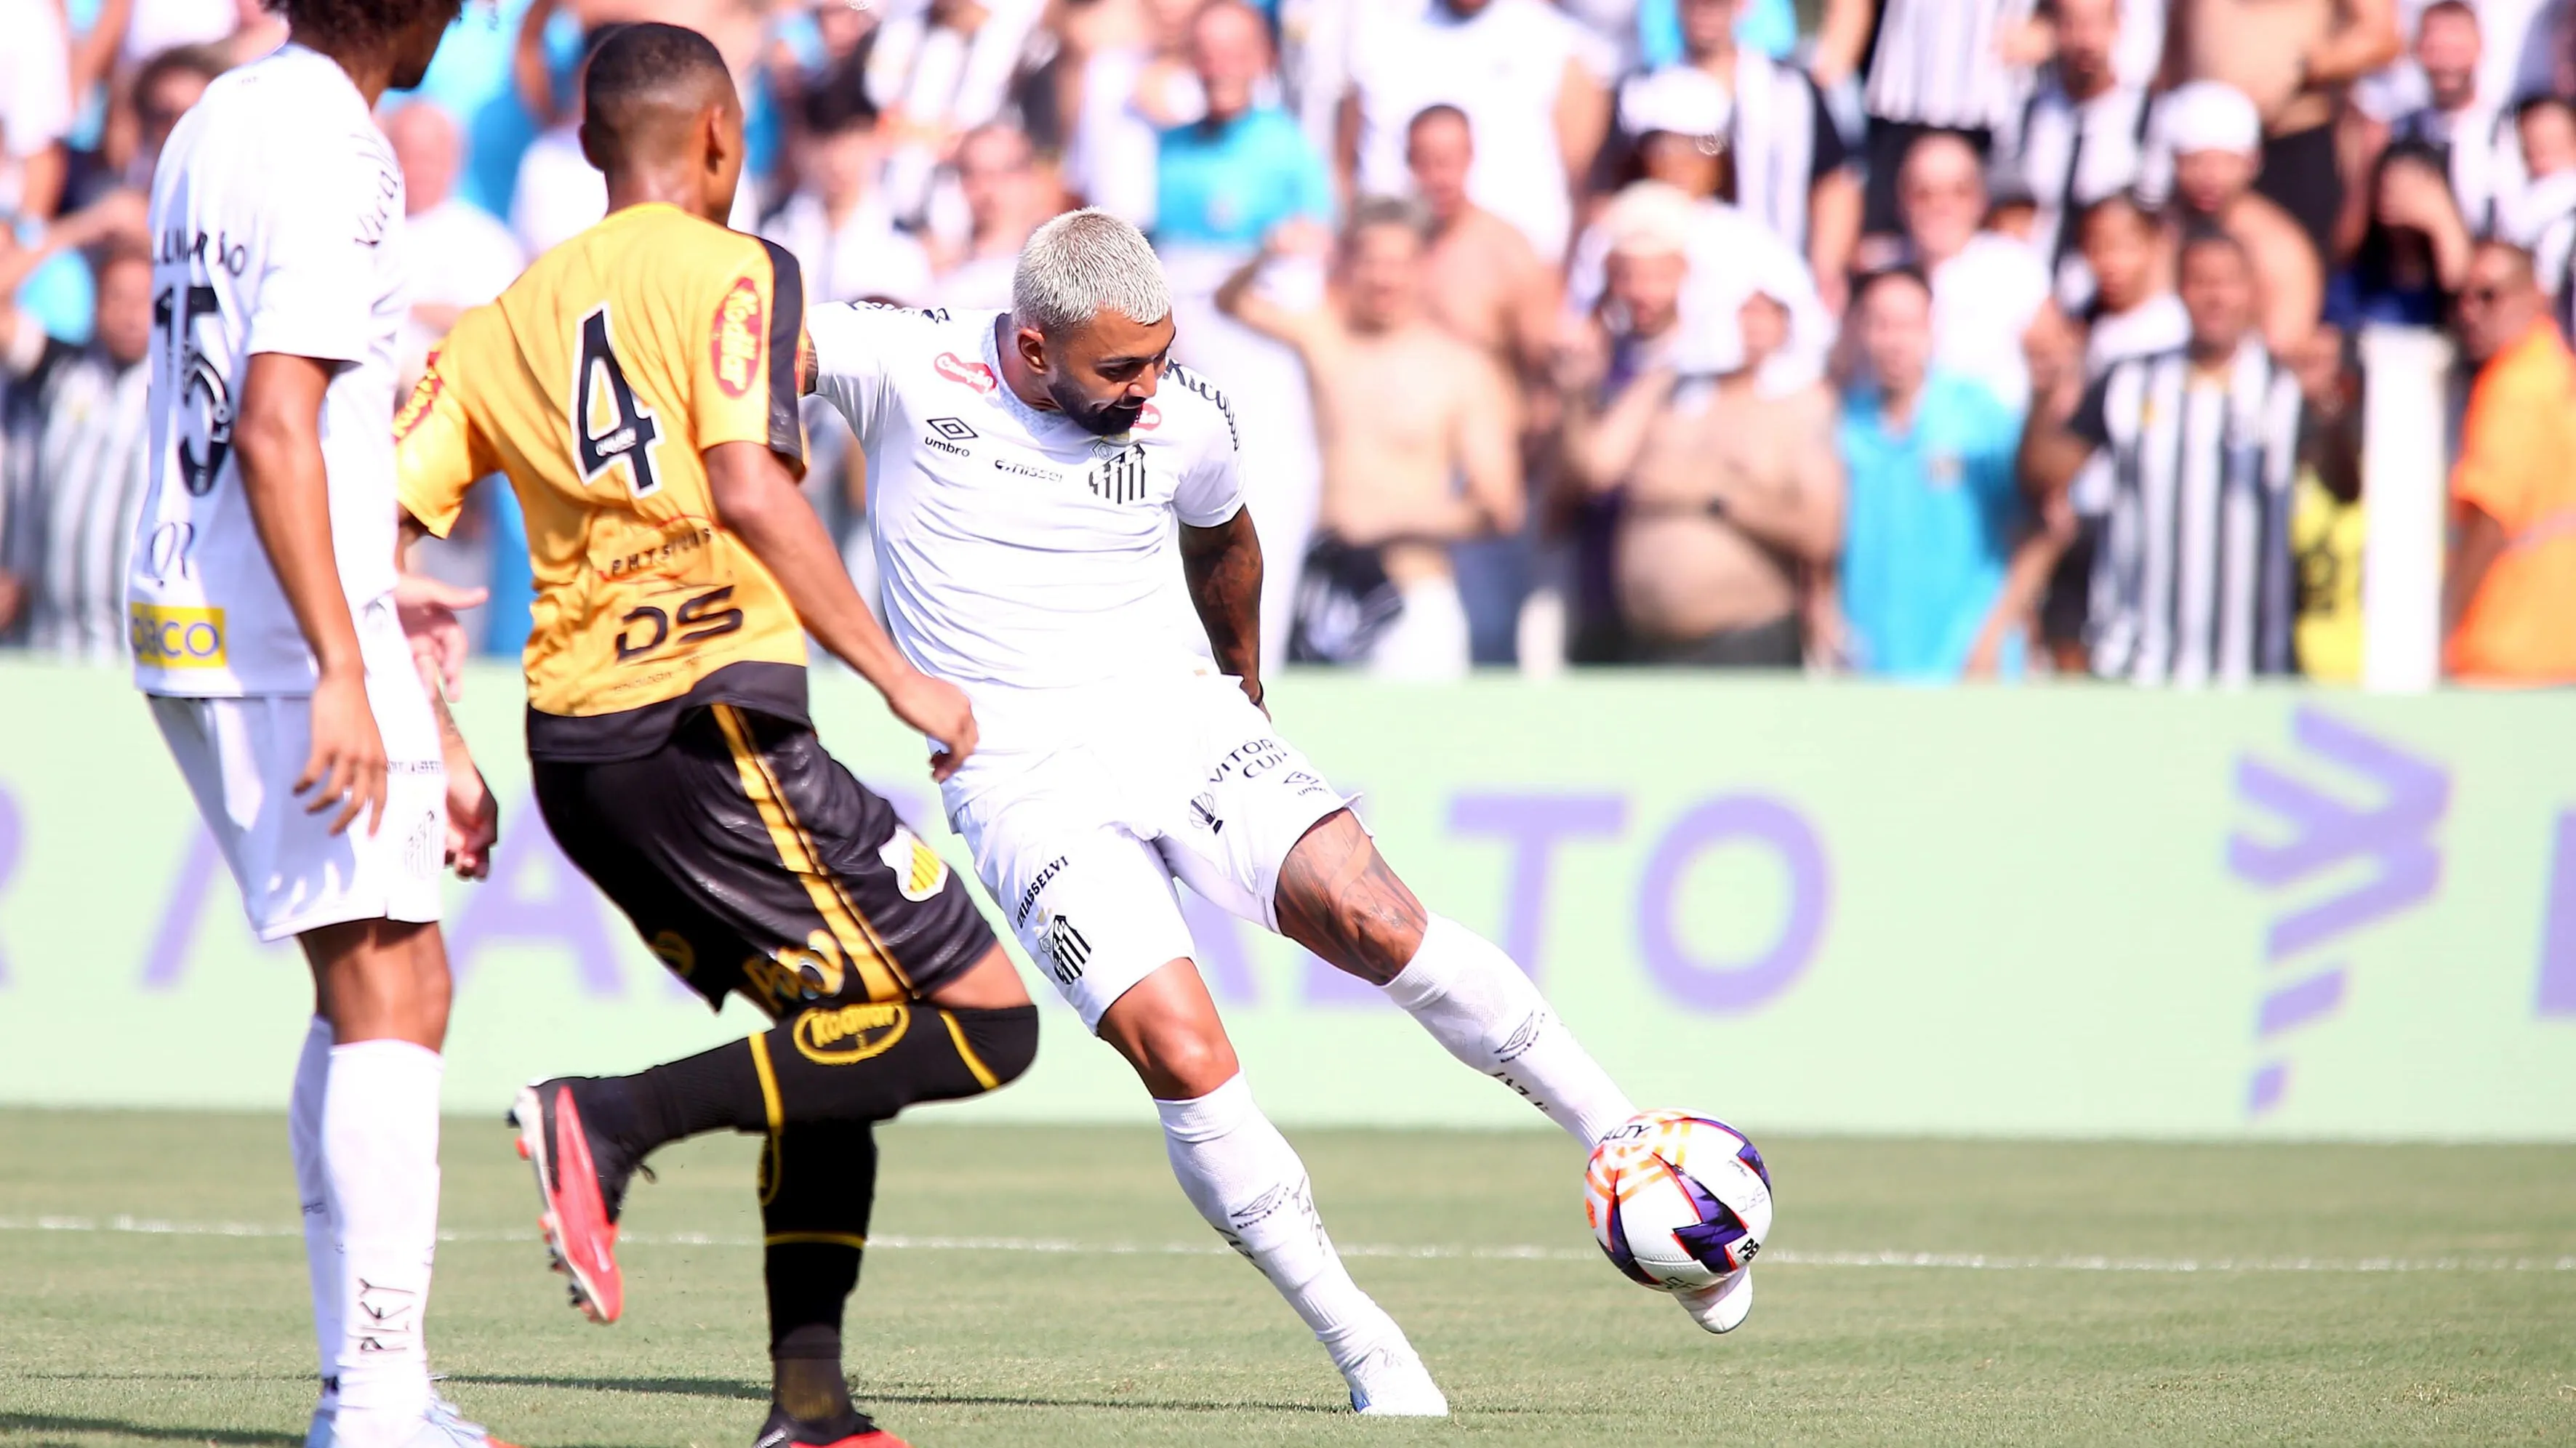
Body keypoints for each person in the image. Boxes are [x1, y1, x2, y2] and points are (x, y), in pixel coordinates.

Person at [805, 207, 1723, 1417]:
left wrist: (1241, 680)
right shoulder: (903, 362)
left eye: (1159, 356)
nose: (1147, 386)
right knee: (1184, 1056)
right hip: (1020, 780)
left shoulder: (1184, 414)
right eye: (1118, 368)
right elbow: (733, 341)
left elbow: (1224, 540)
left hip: (1180, 721)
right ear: (1030, 347)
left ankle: (1629, 1145)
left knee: (1378, 916)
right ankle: (1369, 1350)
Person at [389, 25, 1038, 1448]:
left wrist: (440, 737)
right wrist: (899, 677)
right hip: (708, 723)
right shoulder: (739, 269)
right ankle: (605, 1120)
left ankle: (811, 1408)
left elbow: (373, 524)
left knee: (840, 1029)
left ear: (583, 146)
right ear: (726, 139)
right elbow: (749, 485)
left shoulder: (495, 324)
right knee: (989, 1024)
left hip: (579, 760)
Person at [124, 0, 514, 1441]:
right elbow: (277, 419)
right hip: (281, 632)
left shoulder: (214, 117)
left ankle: (368, 1385)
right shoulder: (341, 147)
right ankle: (377, 1401)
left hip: (203, 598)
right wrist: (347, 665)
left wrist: (382, 616)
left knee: (367, 982)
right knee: (395, 985)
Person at [1219, 199, 1524, 679]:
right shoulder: (1326, 338)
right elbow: (1231, 303)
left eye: (1399, 263)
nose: (1385, 278)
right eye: (1371, 262)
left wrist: (1384, 520)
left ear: (1424, 266)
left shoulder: (1462, 369)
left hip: (1415, 594)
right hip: (1328, 590)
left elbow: (1499, 507)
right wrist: (1268, 253)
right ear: (1347, 263)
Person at [2021, 230, 2305, 685]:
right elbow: (2047, 473)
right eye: (2201, 282)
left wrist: (2335, 412)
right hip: (2138, 663)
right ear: (2179, 290)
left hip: (2252, 668)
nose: (2215, 297)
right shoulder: (2129, 381)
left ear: (2252, 291)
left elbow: (2345, 490)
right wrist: (2042, 390)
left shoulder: (2289, 390)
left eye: (2228, 282)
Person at [1564, 286, 1843, 666]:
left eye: (1763, 313)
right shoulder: (1667, 395)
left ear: (1786, 325)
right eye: (1741, 311)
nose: (1750, 327)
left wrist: (1709, 495)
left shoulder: (1800, 406)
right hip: (1647, 643)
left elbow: (1821, 534)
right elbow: (1597, 468)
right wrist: (1580, 392)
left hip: (1745, 642)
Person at [1834, 265, 2030, 679]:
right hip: (1872, 665)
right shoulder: (1845, 422)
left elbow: (2037, 529)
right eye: (1881, 325)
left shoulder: (1978, 414)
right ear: (1861, 331)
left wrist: (1995, 632)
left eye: (1908, 325)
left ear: (1932, 329)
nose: (1895, 342)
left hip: (1967, 663)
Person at [1612, 0, 1859, 300]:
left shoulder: (1791, 89)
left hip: (1773, 278)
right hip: (1666, 284)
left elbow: (1833, 182)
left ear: (1742, 6)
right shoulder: (1640, 93)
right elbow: (1611, 189)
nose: (1704, 11)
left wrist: (1826, 269)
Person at [1339, 0, 1613, 262]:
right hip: (1391, 275)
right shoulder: (1381, 40)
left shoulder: (1554, 44)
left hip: (1520, 273)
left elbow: (1585, 182)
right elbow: (1343, 165)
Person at [0, 238, 155, 659]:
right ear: (95, 303)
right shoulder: (61, 370)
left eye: (144, 298)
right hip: (52, 645)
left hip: (136, 651)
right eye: (117, 296)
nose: (130, 313)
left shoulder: (181, 390)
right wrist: (89, 226)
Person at [2165, 0, 2401, 259]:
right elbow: (2176, 39)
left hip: (2294, 145)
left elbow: (2381, 38)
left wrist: (2306, 67)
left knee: (2291, 260)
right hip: (2206, 151)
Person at [2442, 238, 2576, 682]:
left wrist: (2440, 630)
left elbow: (2490, 519)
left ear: (2537, 296)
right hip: (2554, 649)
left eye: (2489, 295)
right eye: (2462, 297)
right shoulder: (2557, 372)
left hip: (2504, 650)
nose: (2470, 312)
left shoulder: (2513, 386)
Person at [1994, 0, 2159, 302]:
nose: (2086, 41)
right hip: (2030, 293)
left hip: (2109, 298)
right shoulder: (2026, 113)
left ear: (2118, 26)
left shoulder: (2146, 116)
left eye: (2097, 24)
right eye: (2072, 25)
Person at [2155, 80, 2324, 353]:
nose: (2210, 177)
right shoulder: (2157, 232)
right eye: (2195, 161)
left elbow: (2287, 345)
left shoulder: (2279, 248)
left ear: (2252, 162)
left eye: (2226, 163)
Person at [1890, 131, 2054, 411]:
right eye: (1924, 193)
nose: (1940, 206)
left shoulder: (2015, 269)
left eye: (1958, 192)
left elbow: (2053, 369)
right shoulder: (1884, 275)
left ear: (1980, 199)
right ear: (1902, 200)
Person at [1855, 0, 2038, 236]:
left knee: (2002, 238)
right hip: (1905, 96)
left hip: (1994, 102)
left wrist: (2050, 31)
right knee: (1886, 241)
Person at [1405, 105, 1560, 379]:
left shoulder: (1508, 250)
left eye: (1448, 161)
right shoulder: (1386, 250)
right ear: (1409, 162)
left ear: (1470, 157)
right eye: (1426, 162)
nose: (1439, 178)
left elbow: (1542, 364)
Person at [381, 101, 526, 377]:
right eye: (407, 156)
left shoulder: (490, 243)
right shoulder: (366, 230)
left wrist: (409, 308)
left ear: (455, 159)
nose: (419, 170)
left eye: (429, 158)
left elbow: (498, 331)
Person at [763, 79, 935, 306]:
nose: (838, 161)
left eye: (851, 143)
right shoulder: (774, 232)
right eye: (826, 142)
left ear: (874, 141)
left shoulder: (902, 247)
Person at [2381, 1, 2524, 236]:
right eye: (2435, 49)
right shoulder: (2396, 132)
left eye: (2457, 50)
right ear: (2416, 50)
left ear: (2480, 47)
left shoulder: (2513, 131)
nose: (2447, 63)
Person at [929, 121, 1047, 310]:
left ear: (1029, 176)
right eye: (972, 173)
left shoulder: (1054, 268)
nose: (986, 187)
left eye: (1002, 172)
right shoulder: (935, 272)